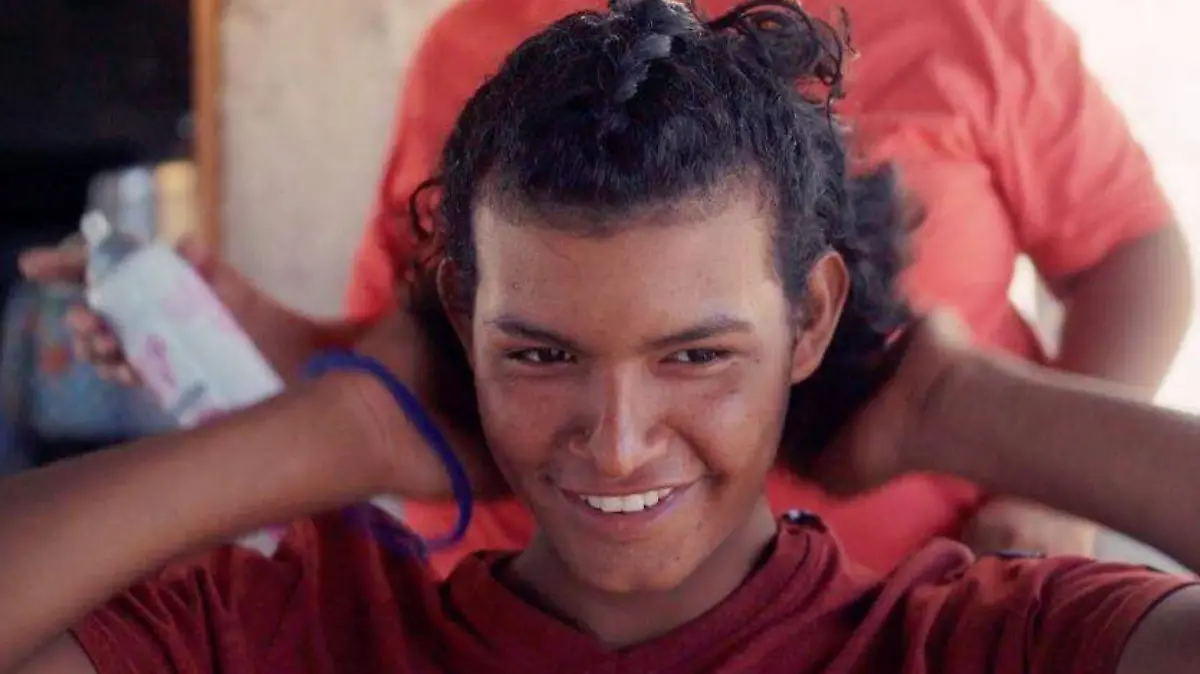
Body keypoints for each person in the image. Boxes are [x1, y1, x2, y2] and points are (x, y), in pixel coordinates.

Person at [4, 3, 1200, 671]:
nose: (620, 439)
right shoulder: (320, 631)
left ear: (812, 317)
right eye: (541, 351)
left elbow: (1131, 248)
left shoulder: (975, 641)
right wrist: (341, 414)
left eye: (695, 351)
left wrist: (975, 418)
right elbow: (401, 349)